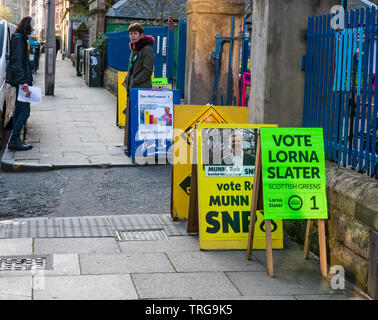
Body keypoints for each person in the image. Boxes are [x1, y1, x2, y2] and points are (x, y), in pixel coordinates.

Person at [122, 23, 155, 151]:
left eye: (136, 33)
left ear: (141, 35)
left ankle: (142, 147)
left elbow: (147, 70)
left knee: (141, 120)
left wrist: (135, 81)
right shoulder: (135, 48)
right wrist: (127, 80)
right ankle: (132, 146)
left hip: (141, 90)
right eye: (131, 33)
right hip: (132, 89)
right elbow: (132, 68)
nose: (133, 36)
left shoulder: (147, 49)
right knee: (132, 118)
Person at [7, 16, 34, 151]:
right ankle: (14, 140)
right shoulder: (18, 39)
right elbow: (16, 63)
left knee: (19, 110)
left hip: (23, 81)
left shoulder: (21, 39)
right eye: (31, 26)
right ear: (26, 26)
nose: (32, 29)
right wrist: (23, 82)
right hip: (22, 83)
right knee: (25, 111)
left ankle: (15, 139)